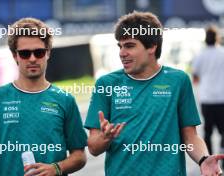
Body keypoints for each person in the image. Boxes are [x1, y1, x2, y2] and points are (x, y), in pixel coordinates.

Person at [85, 11, 224, 176]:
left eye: (129, 45)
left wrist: (203, 159)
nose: (122, 52)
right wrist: (105, 138)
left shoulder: (178, 81)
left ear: (152, 47)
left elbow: (190, 136)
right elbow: (93, 147)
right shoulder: (106, 84)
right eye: (120, 46)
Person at [0, 17, 87, 176]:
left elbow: (79, 156)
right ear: (14, 55)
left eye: (39, 52)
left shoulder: (65, 100)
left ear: (48, 53)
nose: (32, 59)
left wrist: (56, 168)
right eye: (24, 53)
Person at [192, 25, 224, 168]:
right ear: (217, 39)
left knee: (208, 131)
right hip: (222, 98)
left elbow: (195, 77)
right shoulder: (223, 53)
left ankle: (210, 159)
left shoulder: (200, 55)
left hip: (207, 99)